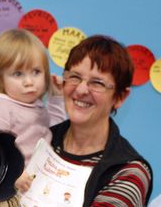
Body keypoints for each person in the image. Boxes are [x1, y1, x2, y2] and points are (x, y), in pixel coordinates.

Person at [50, 35, 153, 206]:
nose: (81, 89)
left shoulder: (129, 172)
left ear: (120, 97)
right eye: (75, 76)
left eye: (97, 83)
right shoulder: (41, 139)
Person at [0, 29, 66, 202]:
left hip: (38, 184)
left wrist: (58, 98)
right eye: (18, 74)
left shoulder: (36, 105)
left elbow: (55, 128)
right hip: (8, 187)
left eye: (36, 72)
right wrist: (13, 174)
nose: (29, 82)